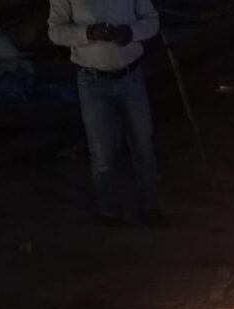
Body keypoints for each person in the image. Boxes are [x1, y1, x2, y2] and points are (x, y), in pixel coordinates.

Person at [48, 0, 165, 226]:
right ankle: (109, 210)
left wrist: (131, 32)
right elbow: (55, 31)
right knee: (103, 151)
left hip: (131, 75)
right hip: (92, 81)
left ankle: (150, 206)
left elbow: (152, 20)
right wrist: (89, 33)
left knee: (143, 144)